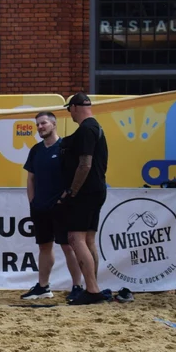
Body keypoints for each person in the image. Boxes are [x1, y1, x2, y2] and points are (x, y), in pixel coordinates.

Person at [21, 111, 84, 301]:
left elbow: (76, 176)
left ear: (54, 124)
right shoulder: (36, 150)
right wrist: (32, 201)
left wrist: (66, 199)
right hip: (40, 207)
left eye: (44, 123)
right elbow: (30, 178)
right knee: (44, 247)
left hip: (61, 207)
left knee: (68, 246)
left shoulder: (65, 147)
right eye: (38, 124)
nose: (40, 127)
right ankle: (43, 286)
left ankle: (77, 286)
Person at [58, 92, 110, 306]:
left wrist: (72, 191)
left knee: (75, 238)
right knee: (88, 240)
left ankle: (92, 288)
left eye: (69, 109)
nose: (69, 113)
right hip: (97, 189)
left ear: (75, 107)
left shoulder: (86, 130)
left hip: (86, 191)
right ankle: (93, 286)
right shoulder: (96, 128)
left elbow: (85, 164)